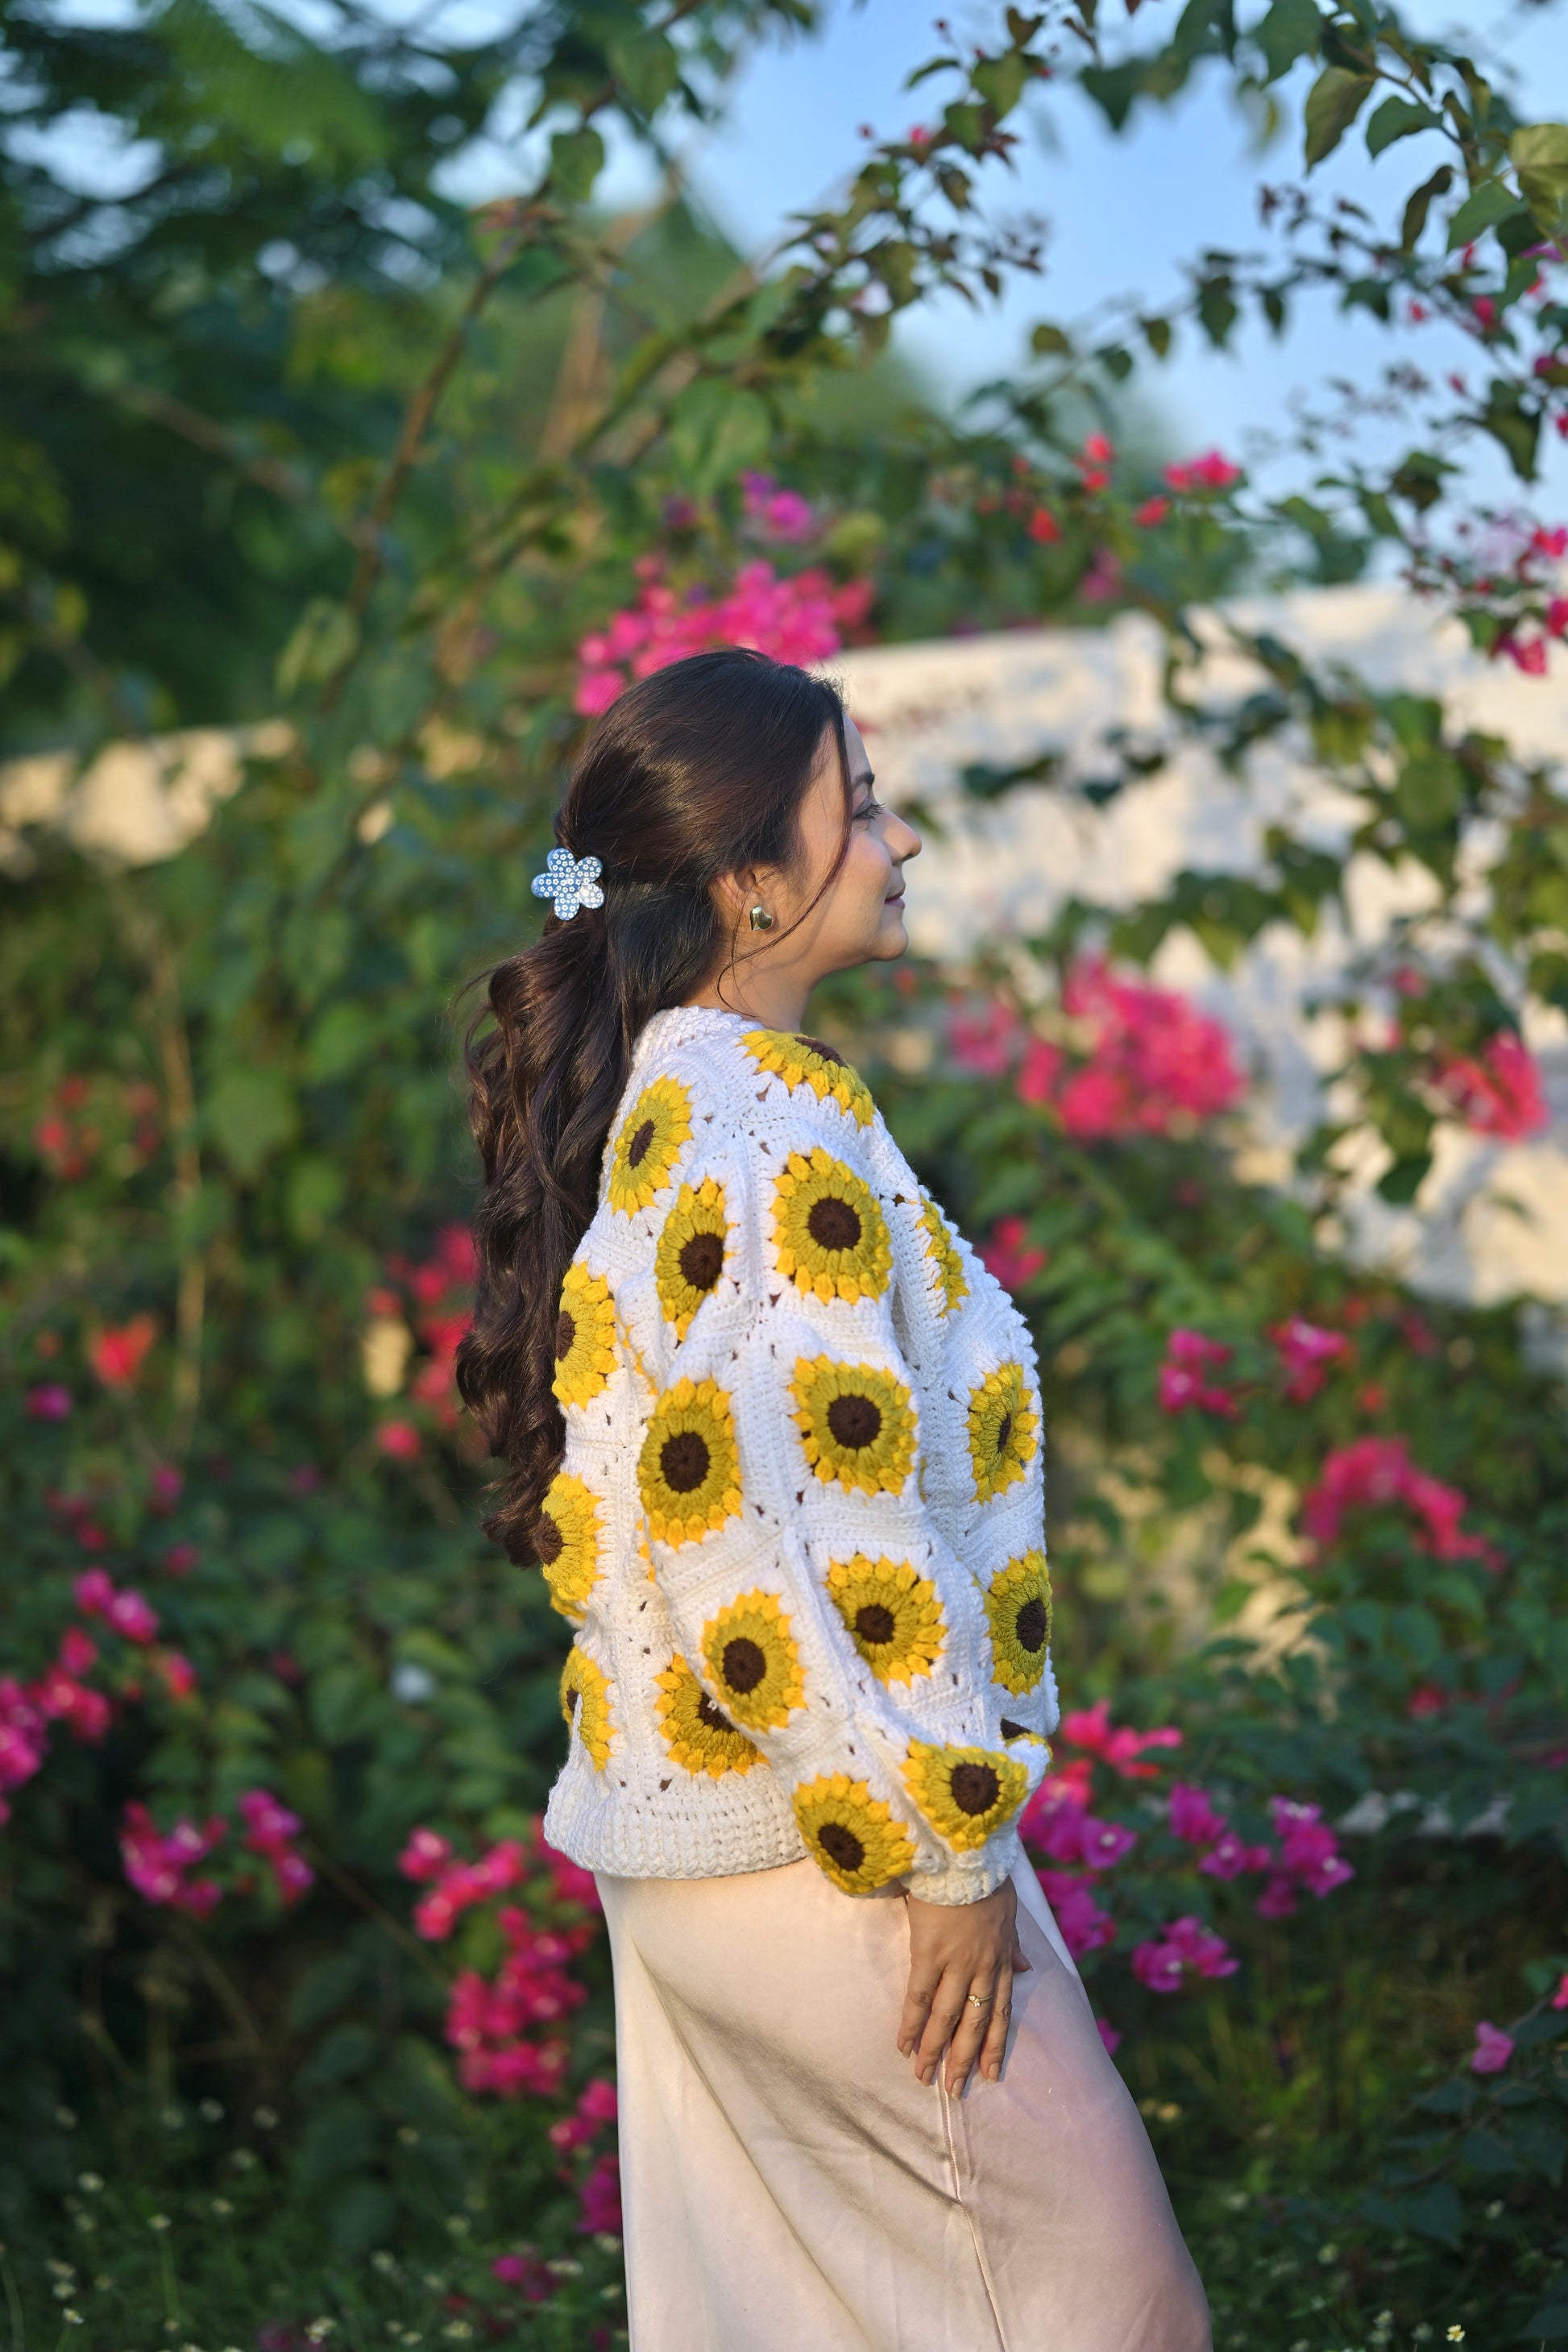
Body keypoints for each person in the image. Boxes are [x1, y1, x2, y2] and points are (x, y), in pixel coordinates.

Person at [457, 648, 1212, 2352]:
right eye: (860, 808)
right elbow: (782, 1526)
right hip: (833, 1856)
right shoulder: (761, 1128)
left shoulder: (685, 1098)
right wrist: (943, 1847)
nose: (900, 840)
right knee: (1114, 2309)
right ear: (748, 880)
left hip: (726, 1844)